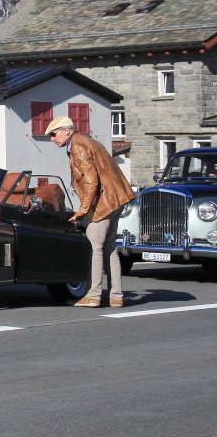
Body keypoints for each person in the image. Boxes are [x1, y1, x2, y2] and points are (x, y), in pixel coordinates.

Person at [47, 115, 135, 307]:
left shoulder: (78, 146)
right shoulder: (89, 142)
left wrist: (83, 209)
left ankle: (94, 295)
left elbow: (90, 180)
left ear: (67, 131)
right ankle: (116, 295)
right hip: (116, 199)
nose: (52, 139)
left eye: (54, 134)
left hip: (103, 203)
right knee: (110, 248)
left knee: (95, 246)